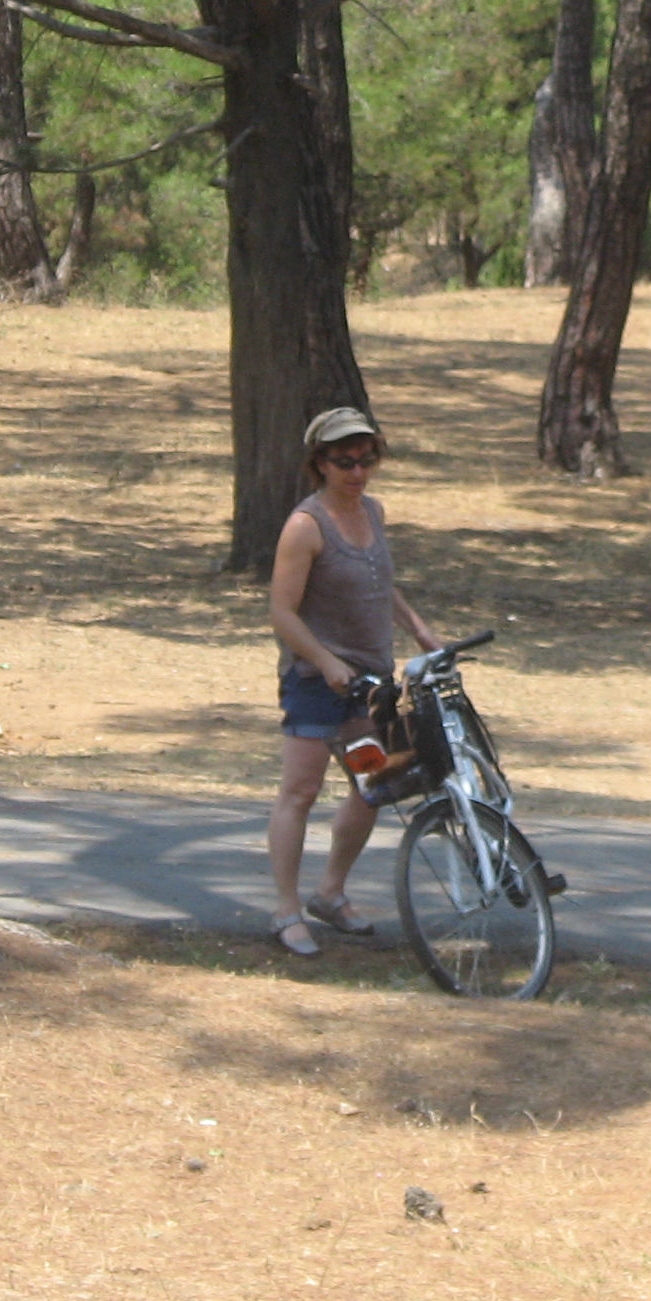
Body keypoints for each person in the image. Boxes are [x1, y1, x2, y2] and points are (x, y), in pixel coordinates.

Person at [265, 406, 444, 958]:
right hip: (315, 683)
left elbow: (378, 583)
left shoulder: (373, 511)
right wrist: (324, 661)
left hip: (370, 683)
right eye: (345, 462)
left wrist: (418, 629)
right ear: (320, 463)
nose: (358, 472)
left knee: (373, 787)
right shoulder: (305, 526)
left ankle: (331, 892)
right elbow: (282, 612)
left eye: (367, 460)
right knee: (301, 791)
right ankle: (287, 911)